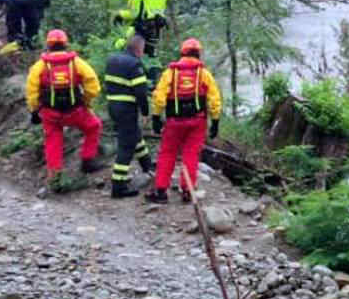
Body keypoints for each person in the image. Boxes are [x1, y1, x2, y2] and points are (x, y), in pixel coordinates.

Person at [26, 29, 105, 190]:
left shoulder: (40, 66)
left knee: (53, 141)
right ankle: (88, 161)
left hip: (50, 113)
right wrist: (86, 101)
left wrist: (34, 110)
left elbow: (32, 92)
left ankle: (54, 178)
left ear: (48, 45)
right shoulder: (77, 63)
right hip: (75, 111)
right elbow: (94, 86)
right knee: (94, 126)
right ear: (65, 43)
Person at [148, 37, 221, 204]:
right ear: (199, 54)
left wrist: (156, 117)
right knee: (191, 155)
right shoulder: (204, 74)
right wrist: (215, 121)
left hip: (174, 122)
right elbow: (214, 99)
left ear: (182, 52)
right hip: (197, 122)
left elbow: (159, 97)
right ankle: (187, 190)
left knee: (167, 154)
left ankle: (160, 192)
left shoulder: (170, 73)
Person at [103, 34, 155, 199]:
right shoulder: (134, 64)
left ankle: (147, 165)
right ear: (139, 49)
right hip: (126, 108)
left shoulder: (113, 60)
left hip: (113, 106)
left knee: (134, 135)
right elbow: (140, 91)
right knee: (126, 147)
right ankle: (118, 186)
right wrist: (146, 111)